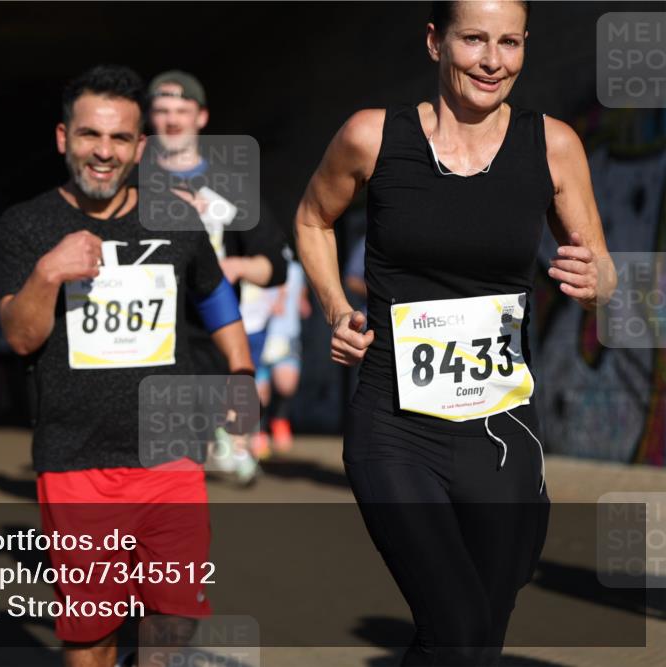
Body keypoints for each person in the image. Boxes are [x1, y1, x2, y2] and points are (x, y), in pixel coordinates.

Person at [294, 1, 614, 665]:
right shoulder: (371, 137)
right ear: (436, 41)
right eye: (474, 40)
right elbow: (312, 220)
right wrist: (334, 307)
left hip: (502, 430)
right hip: (395, 423)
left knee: (475, 633)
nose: (493, 61)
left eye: (510, 43)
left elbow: (601, 266)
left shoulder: (552, 145)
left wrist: (597, 279)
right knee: (460, 622)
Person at [0, 65, 253, 667]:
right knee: (91, 637)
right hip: (77, 459)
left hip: (171, 454)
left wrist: (242, 374)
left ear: (140, 146)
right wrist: (48, 272)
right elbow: (21, 338)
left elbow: (215, 297)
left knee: (174, 617)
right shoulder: (26, 226)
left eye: (117, 139)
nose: (102, 152)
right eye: (89, 135)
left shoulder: (176, 216)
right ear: (64, 138)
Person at [145, 70, 288, 483]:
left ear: (201, 117)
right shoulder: (133, 182)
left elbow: (274, 264)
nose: (172, 120)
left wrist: (232, 267)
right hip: (149, 334)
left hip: (208, 333)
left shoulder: (230, 186)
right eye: (162, 111)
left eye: (182, 110)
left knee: (186, 455)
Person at [256, 257, 311, 455]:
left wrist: (302, 303)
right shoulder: (258, 267)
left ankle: (279, 419)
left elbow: (301, 294)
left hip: (287, 335)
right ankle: (259, 431)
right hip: (261, 335)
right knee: (260, 392)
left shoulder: (296, 269)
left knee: (286, 384)